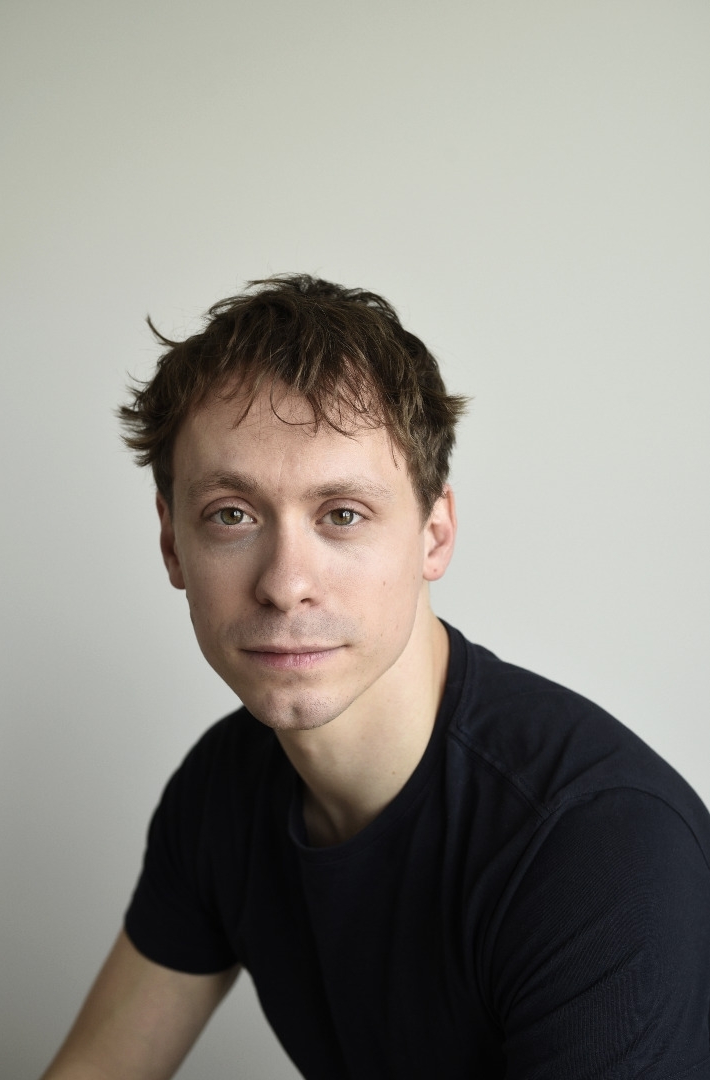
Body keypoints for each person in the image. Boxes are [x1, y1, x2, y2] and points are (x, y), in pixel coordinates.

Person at [42, 275, 710, 1080]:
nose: (285, 584)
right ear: (171, 543)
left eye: (342, 514)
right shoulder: (223, 789)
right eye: (231, 514)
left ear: (434, 535)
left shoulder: (600, 848)